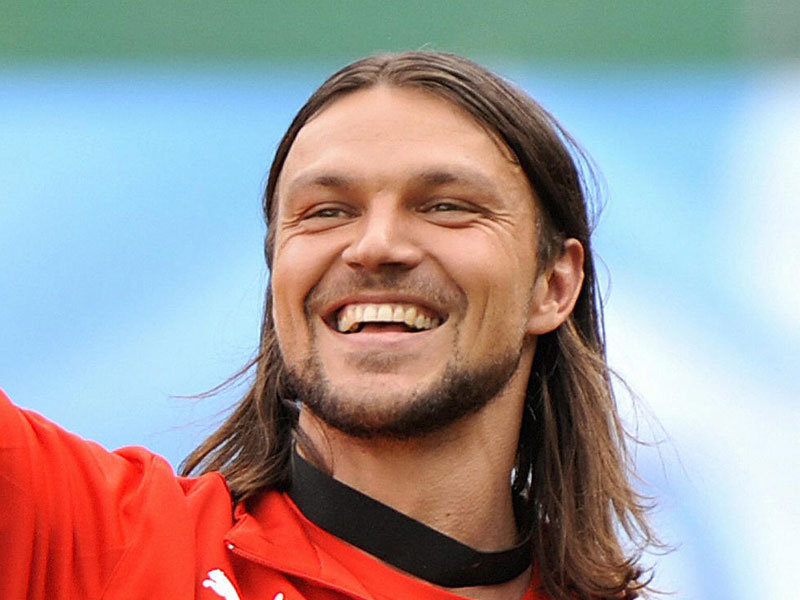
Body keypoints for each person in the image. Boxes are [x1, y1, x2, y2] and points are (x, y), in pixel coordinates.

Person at [0, 51, 658, 600]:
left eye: (445, 206)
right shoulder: (98, 539)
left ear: (554, 285)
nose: (375, 245)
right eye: (325, 211)